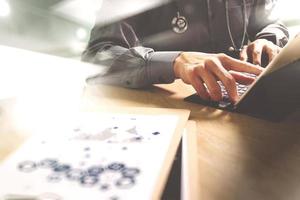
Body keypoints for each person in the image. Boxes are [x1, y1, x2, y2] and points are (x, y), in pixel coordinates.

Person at [82, 0, 289, 103]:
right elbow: (97, 56)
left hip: (237, 103)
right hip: (167, 112)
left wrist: (267, 39)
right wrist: (174, 63)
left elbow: (271, 23)